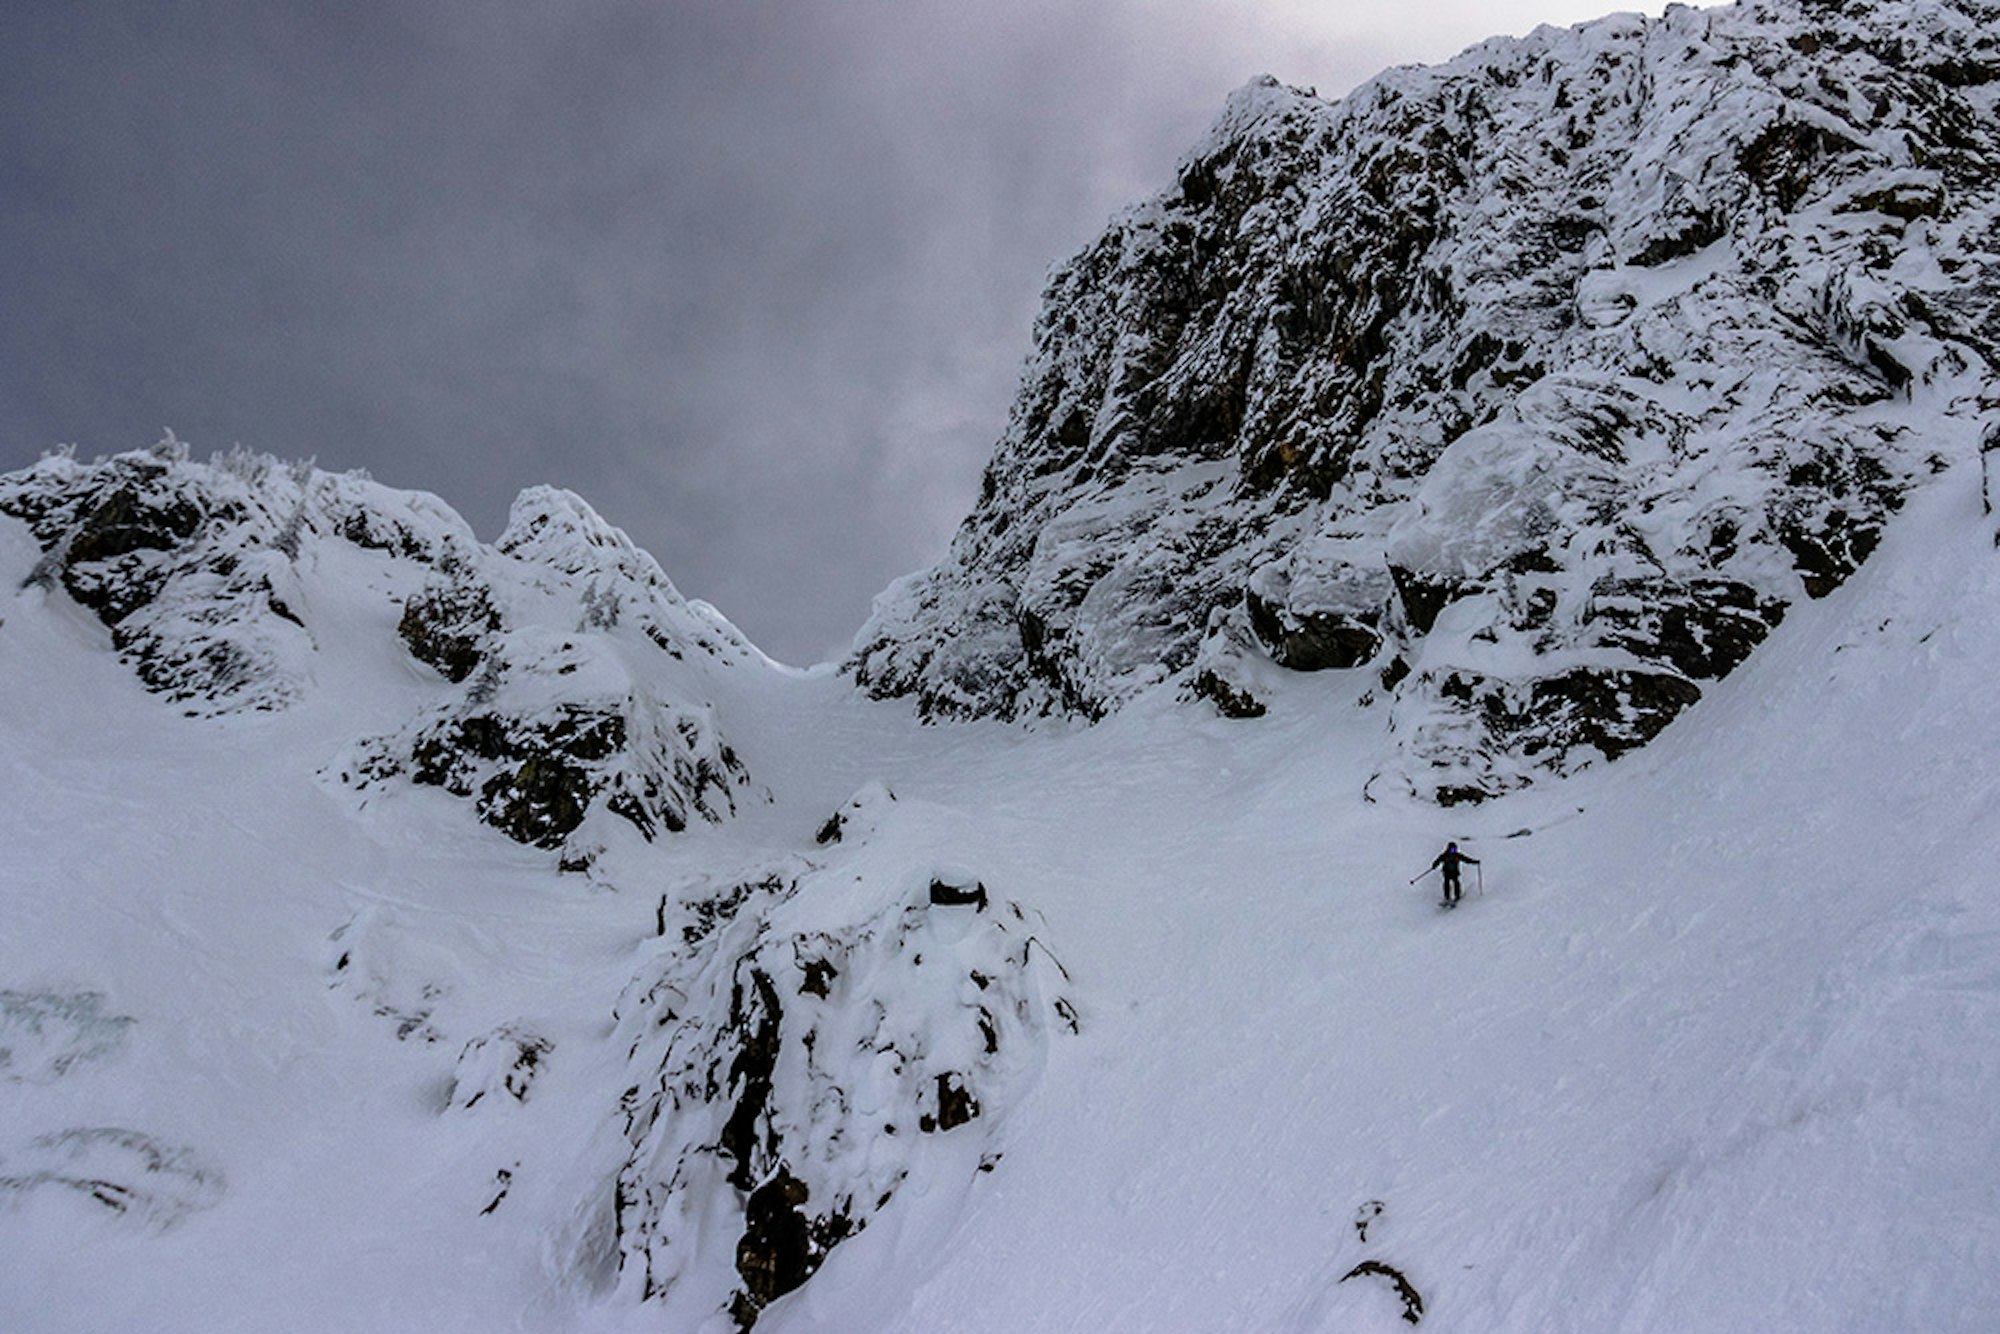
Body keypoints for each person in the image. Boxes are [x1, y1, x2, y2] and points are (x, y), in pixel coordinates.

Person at [1414, 842, 1479, 904]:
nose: (1453, 851)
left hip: (1454, 872)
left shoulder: (1457, 855)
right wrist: (1434, 865)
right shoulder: (1445, 855)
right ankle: (1447, 897)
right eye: (1452, 849)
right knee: (1446, 884)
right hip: (1447, 872)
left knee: (1456, 883)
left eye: (1454, 849)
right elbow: (1438, 860)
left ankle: (1457, 895)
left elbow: (1467, 860)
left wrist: (1475, 862)